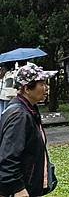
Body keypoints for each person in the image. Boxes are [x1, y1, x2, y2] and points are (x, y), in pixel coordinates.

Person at [0, 63, 58, 197]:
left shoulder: (29, 109)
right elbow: (8, 157)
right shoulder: (19, 115)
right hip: (19, 189)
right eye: (42, 84)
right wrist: (18, 188)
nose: (46, 88)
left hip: (30, 185)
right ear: (27, 89)